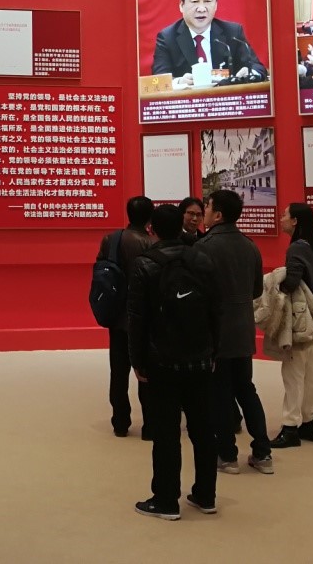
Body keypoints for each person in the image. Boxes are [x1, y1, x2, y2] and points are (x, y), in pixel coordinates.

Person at [127, 203, 220, 521]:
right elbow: (216, 310)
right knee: (203, 429)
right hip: (200, 358)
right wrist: (214, 351)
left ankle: (166, 500)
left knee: (166, 432)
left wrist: (137, 360)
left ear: (152, 229)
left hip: (162, 360)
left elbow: (137, 318)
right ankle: (206, 495)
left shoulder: (145, 264)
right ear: (180, 225)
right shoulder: (203, 259)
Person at [199, 189, 273, 475]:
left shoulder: (204, 247)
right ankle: (263, 452)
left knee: (220, 393)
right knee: (246, 389)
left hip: (216, 331)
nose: (204, 212)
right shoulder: (250, 246)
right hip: (242, 330)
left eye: (207, 207)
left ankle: (227, 455)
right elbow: (256, 290)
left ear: (217, 214)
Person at [268, 204, 313, 448]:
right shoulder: (310, 247)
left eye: (285, 214)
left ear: (294, 221)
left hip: (299, 322)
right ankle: (310, 422)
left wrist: (275, 286)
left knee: (293, 374)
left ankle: (290, 426)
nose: (281, 218)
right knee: (311, 373)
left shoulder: (295, 248)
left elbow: (291, 281)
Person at [97, 196, 155, 438]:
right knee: (146, 372)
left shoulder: (111, 239)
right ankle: (150, 425)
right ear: (150, 217)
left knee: (118, 372)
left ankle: (120, 422)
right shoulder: (152, 244)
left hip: (117, 314)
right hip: (144, 317)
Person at [150, 0, 267, 82]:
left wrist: (251, 74)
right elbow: (159, 79)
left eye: (207, 1)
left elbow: (258, 68)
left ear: (215, 5)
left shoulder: (233, 32)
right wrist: (179, 82)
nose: (201, 9)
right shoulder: (167, 38)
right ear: (181, 5)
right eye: (195, 1)